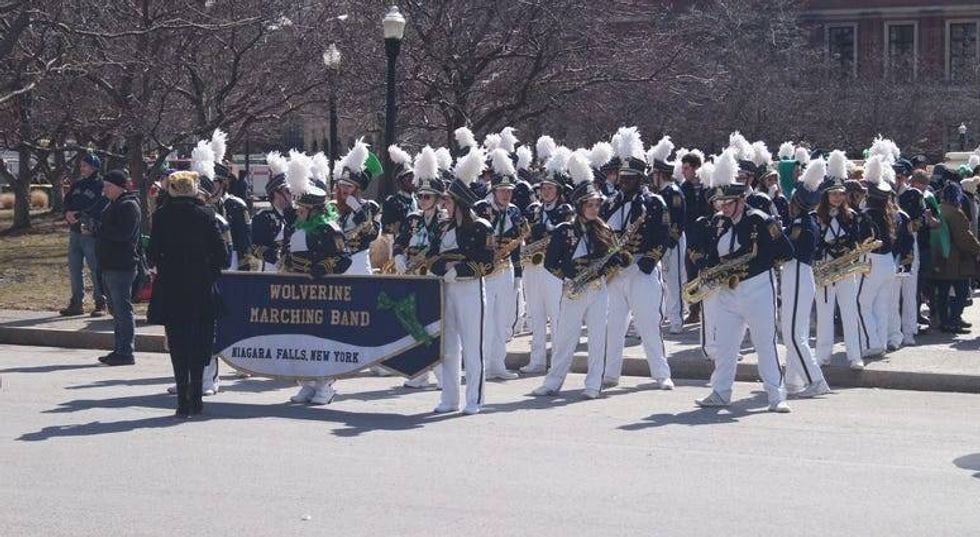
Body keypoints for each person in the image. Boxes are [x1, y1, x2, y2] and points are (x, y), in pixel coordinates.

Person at [695, 148, 793, 413]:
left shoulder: (759, 220)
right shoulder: (718, 223)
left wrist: (754, 262)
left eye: (728, 203)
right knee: (725, 346)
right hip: (728, 292)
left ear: (740, 199)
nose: (723, 208)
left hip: (758, 287)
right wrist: (708, 270)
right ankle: (720, 392)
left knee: (765, 344)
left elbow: (785, 251)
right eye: (720, 203)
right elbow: (711, 254)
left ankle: (776, 395)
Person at [532, 152, 627, 399]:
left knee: (597, 337)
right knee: (564, 338)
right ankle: (553, 382)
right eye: (590, 204)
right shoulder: (564, 231)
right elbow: (550, 263)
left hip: (597, 290)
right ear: (579, 206)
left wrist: (606, 268)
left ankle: (593, 383)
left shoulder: (604, 229)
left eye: (597, 204)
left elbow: (616, 260)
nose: (595, 208)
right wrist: (569, 277)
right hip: (573, 289)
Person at [147, 171, 228, 418]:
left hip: (172, 288)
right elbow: (222, 254)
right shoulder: (206, 215)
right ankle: (196, 399)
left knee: (178, 345)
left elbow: (152, 253)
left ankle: (182, 401)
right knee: (200, 344)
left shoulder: (161, 216)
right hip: (202, 288)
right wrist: (209, 269)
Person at [601, 128, 673, 390]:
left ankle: (661, 373)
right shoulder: (609, 204)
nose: (625, 181)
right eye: (623, 176)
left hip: (641, 269)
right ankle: (610, 373)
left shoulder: (653, 203)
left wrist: (649, 261)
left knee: (649, 324)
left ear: (640, 178)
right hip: (615, 273)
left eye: (630, 177)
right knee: (614, 325)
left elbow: (663, 237)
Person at [428, 147, 494, 415]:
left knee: (472, 346)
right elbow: (431, 256)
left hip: (469, 289)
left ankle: (475, 399)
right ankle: (449, 399)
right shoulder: (442, 227)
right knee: (448, 346)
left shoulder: (481, 227)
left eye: (448, 201)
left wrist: (460, 269)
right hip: (446, 288)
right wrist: (444, 268)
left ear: (460, 202)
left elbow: (486, 262)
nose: (444, 205)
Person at [281, 153, 352, 405]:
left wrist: (320, 269)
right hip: (298, 290)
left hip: (323, 291)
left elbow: (345, 259)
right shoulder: (296, 227)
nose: (298, 211)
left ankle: (325, 385)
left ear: (313, 210)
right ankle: (307, 384)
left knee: (321, 339)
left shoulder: (329, 229)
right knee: (300, 338)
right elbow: (287, 254)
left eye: (302, 208)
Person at [394, 146, 446, 389]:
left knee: (436, 327)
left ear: (437, 198)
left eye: (428, 196)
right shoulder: (413, 218)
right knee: (414, 325)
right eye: (421, 196)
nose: (423, 200)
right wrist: (398, 257)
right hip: (414, 275)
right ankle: (420, 373)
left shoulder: (444, 221)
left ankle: (442, 376)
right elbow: (400, 241)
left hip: (436, 277)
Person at [476, 148, 529, 381]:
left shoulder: (515, 213)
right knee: (485, 320)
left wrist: (518, 274)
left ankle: (498, 364)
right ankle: (483, 365)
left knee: (503, 319)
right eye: (502, 191)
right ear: (494, 190)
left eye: (509, 191)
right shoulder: (482, 209)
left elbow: (518, 245)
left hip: (506, 269)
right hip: (486, 272)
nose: (507, 195)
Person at [520, 147, 573, 374]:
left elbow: (563, 233)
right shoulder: (533, 210)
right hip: (533, 266)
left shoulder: (565, 210)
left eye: (550, 188)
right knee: (536, 314)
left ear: (559, 191)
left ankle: (560, 362)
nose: (546, 191)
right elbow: (527, 233)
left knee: (557, 315)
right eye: (544, 188)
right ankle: (537, 360)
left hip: (553, 269)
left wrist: (547, 228)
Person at [781, 159, 831, 397]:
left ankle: (815, 380)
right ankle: (792, 381)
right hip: (797, 273)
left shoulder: (803, 224)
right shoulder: (803, 221)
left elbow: (789, 250)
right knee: (796, 331)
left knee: (792, 333)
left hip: (798, 272)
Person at [814, 151, 865, 370]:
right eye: (833, 194)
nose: (837, 197)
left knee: (849, 311)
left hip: (845, 267)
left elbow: (857, 241)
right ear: (825, 196)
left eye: (840, 193)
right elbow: (814, 244)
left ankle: (855, 355)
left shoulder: (851, 216)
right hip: (824, 268)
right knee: (824, 314)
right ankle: (822, 355)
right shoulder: (816, 217)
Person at [93, 169, 141, 366]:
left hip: (121, 265)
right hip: (109, 264)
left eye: (108, 186)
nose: (105, 190)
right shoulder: (113, 204)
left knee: (123, 309)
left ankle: (126, 351)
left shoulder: (128, 205)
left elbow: (123, 234)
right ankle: (119, 348)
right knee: (116, 309)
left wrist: (99, 228)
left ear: (119, 186)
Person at [856, 155, 897, 361]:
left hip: (871, 261)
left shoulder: (865, 215)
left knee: (861, 304)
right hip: (888, 261)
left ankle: (872, 343)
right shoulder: (886, 214)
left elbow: (860, 241)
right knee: (881, 306)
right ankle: (880, 343)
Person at [647, 136, 687, 334]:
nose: (651, 177)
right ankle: (663, 316)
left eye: (654, 173)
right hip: (661, 242)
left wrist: (670, 243)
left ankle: (677, 320)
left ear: (660, 174)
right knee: (662, 282)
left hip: (674, 241)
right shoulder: (659, 194)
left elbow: (679, 221)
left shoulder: (674, 193)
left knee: (674, 281)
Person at [61, 152, 108, 317]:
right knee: (75, 268)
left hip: (90, 233)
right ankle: (76, 302)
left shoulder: (101, 185)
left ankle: (100, 302)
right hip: (74, 232)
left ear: (94, 166)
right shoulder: (77, 184)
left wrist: (80, 215)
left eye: (85, 165)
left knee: (95, 268)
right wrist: (67, 212)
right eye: (81, 166)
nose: (82, 168)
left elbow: (100, 205)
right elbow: (67, 200)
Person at [932, 182, 980, 334]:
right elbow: (964, 238)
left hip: (939, 257)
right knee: (961, 292)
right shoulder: (956, 213)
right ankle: (954, 321)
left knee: (943, 292)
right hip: (956, 260)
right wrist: (978, 249)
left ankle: (945, 322)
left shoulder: (938, 209)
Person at [250, 171, 295, 273]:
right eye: (288, 191)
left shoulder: (295, 215)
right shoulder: (262, 217)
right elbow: (255, 246)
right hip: (271, 268)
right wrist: (277, 257)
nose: (291, 194)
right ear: (277, 193)